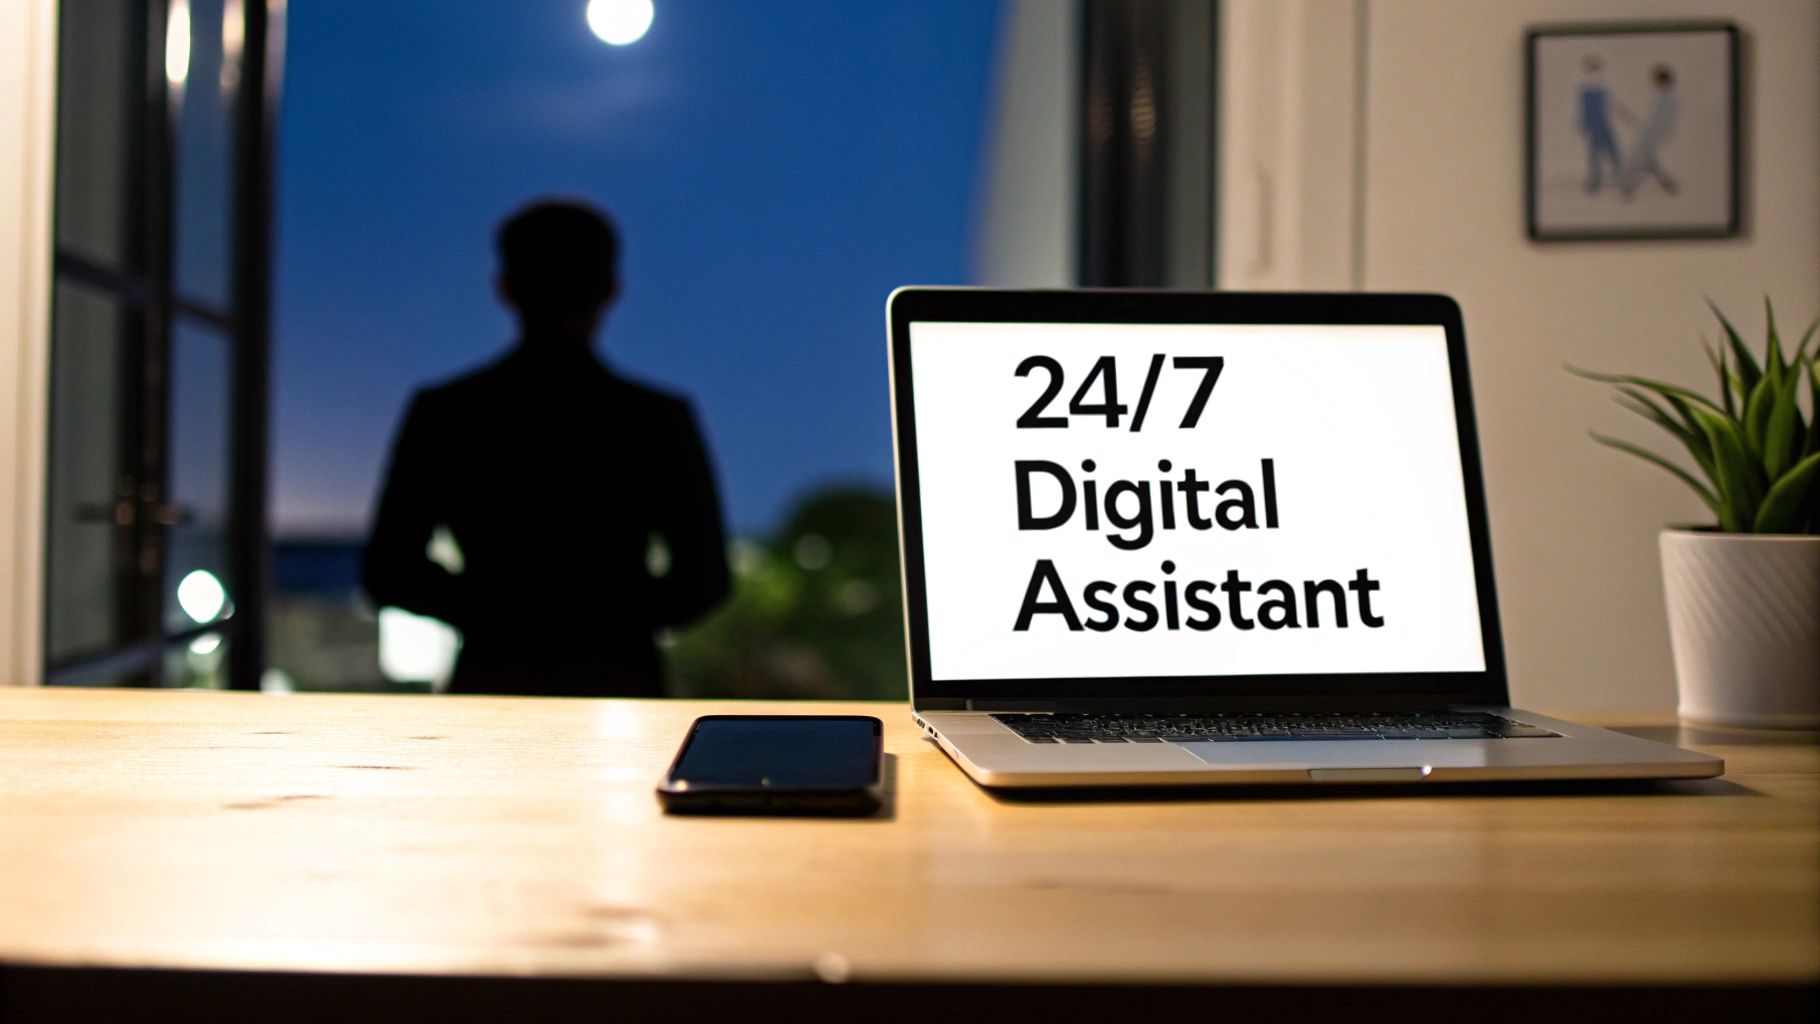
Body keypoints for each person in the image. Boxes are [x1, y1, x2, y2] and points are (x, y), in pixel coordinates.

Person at [363, 199, 731, 697]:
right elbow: (704, 578)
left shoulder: (448, 412)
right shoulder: (655, 418)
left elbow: (389, 570)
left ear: (506, 288)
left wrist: (494, 612)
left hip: (493, 681)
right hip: (620, 683)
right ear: (610, 289)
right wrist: (609, 619)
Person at [1619, 65, 1679, 198]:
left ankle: (1628, 188)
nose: (1654, 84)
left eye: (1656, 81)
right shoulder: (1664, 97)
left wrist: (1650, 133)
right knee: (1649, 163)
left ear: (1662, 81)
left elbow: (1662, 121)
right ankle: (1668, 183)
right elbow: (1656, 119)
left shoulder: (1667, 99)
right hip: (1651, 134)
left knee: (1637, 160)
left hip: (1653, 136)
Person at [1576, 55, 1622, 193]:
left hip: (1603, 122)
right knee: (1599, 152)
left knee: (1610, 149)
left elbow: (1604, 105)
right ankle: (1596, 181)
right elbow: (1586, 109)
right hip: (1596, 123)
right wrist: (1584, 124)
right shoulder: (1589, 88)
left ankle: (1611, 177)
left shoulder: (1599, 86)